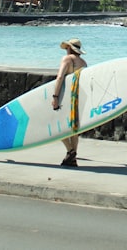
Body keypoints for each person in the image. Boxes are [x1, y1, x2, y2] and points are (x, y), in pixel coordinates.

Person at [51, 38, 87, 167]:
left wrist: (55, 96)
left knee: (56, 126)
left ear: (70, 48)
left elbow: (60, 77)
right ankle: (72, 158)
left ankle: (70, 151)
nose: (66, 50)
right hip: (78, 98)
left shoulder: (68, 59)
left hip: (66, 97)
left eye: (67, 48)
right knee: (74, 129)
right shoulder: (83, 62)